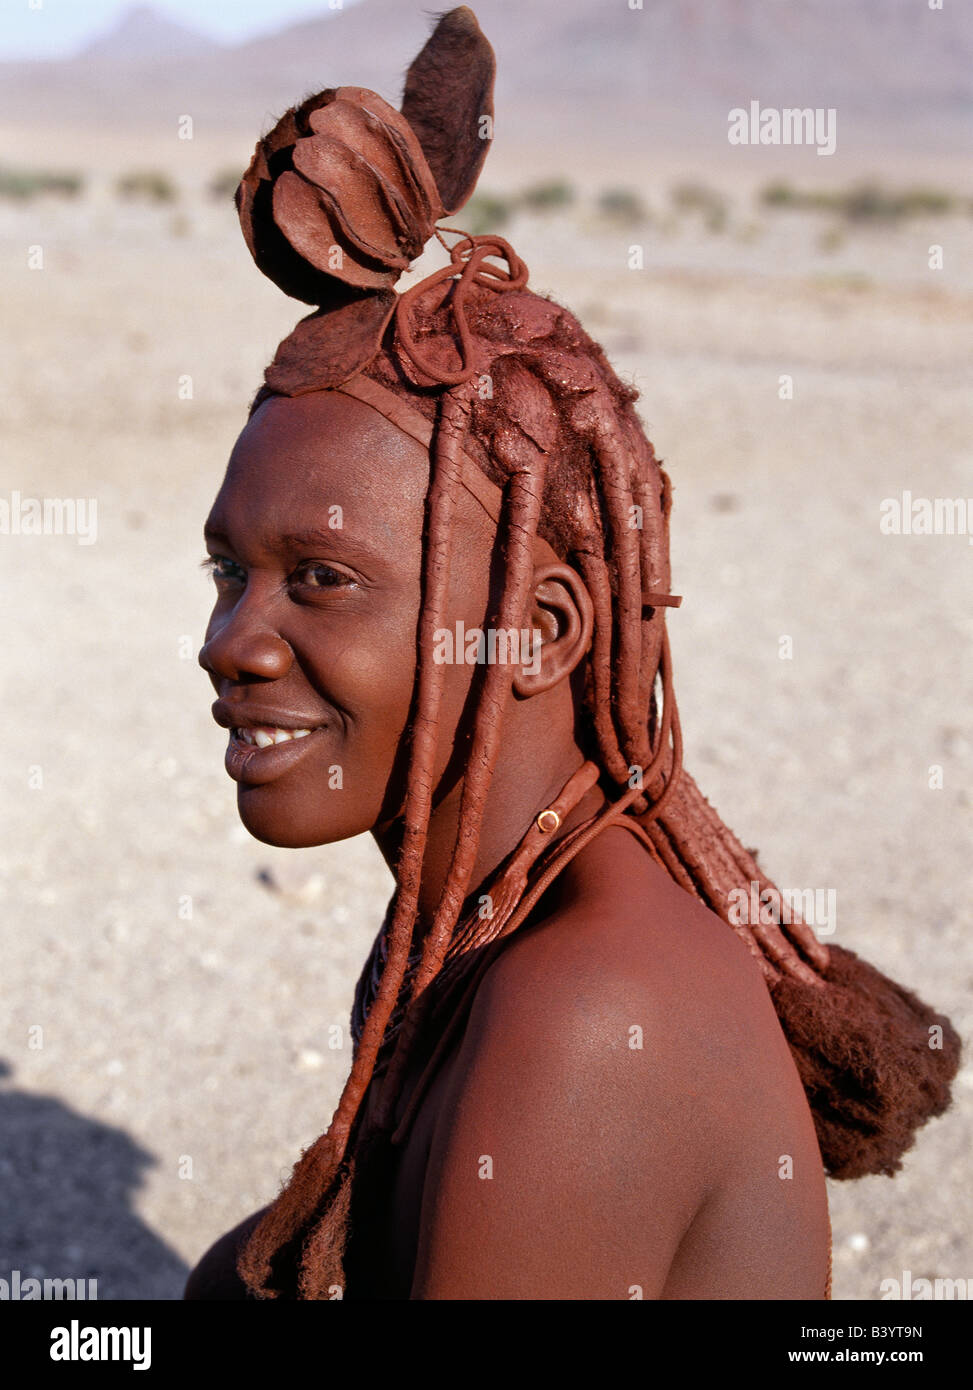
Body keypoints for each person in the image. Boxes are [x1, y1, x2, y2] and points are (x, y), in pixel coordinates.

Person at [185, 7, 959, 1301]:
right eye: (228, 574)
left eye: (319, 579)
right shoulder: (478, 927)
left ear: (541, 632)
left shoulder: (584, 1015)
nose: (231, 644)